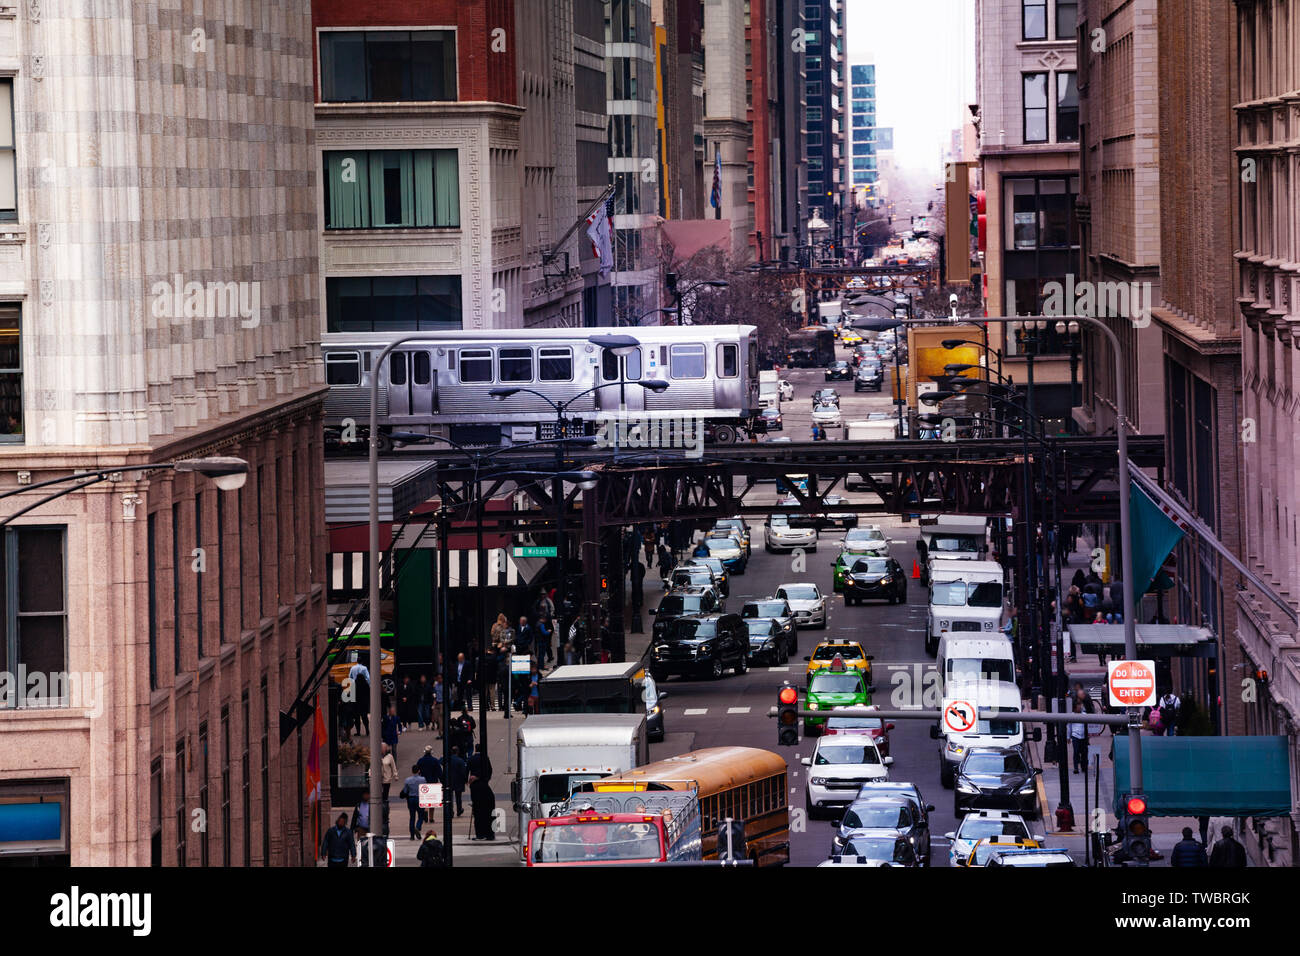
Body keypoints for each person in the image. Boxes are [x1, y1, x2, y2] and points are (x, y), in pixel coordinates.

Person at [400, 765, 427, 840]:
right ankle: (417, 827)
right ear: (419, 771)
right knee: (421, 816)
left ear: (412, 771)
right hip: (419, 798)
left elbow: (405, 791)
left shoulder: (407, 780)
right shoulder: (423, 779)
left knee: (412, 817)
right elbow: (425, 788)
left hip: (411, 799)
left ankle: (412, 835)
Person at [470, 768, 497, 840]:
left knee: (479, 817)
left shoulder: (474, 785)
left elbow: (474, 798)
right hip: (488, 802)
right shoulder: (484, 784)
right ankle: (490, 835)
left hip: (481, 802)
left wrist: (474, 806)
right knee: (489, 817)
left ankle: (480, 835)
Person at [347, 660, 371, 736]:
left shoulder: (353, 669)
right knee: (364, 717)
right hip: (363, 704)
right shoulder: (365, 685)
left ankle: (358, 732)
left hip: (356, 704)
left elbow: (350, 677)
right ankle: (367, 730)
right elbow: (368, 678)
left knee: (357, 718)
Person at [446, 745, 468, 817]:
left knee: (450, 797)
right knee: (458, 797)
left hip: (450, 780)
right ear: (458, 752)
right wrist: (465, 780)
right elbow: (463, 772)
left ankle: (451, 811)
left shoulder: (448, 760)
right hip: (458, 781)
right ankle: (459, 810)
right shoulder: (460, 761)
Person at [380, 744, 398, 834]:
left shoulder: (390, 756)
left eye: (383, 748)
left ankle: (385, 807)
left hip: (387, 778)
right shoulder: (377, 756)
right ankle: (381, 806)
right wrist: (370, 773)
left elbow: (393, 766)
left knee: (385, 794)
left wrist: (395, 775)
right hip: (379, 779)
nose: (382, 750)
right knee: (380, 794)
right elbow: (372, 765)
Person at [1069, 701, 1089, 774]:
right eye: (1078, 707)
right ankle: (1076, 768)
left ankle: (1084, 767)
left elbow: (1087, 726)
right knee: (1076, 752)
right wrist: (1068, 737)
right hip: (1075, 736)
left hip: (1083, 736)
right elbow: (1069, 726)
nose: (1079, 708)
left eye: (1080, 706)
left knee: (1084, 752)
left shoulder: (1084, 715)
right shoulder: (1072, 716)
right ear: (1074, 708)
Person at [430, 673, 445, 739]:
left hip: (442, 703)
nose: (439, 679)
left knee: (440, 718)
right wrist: (434, 702)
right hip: (436, 703)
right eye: (438, 678)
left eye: (440, 678)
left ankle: (441, 734)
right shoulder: (435, 686)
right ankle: (442, 730)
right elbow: (434, 694)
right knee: (435, 718)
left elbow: (449, 695)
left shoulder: (445, 685)